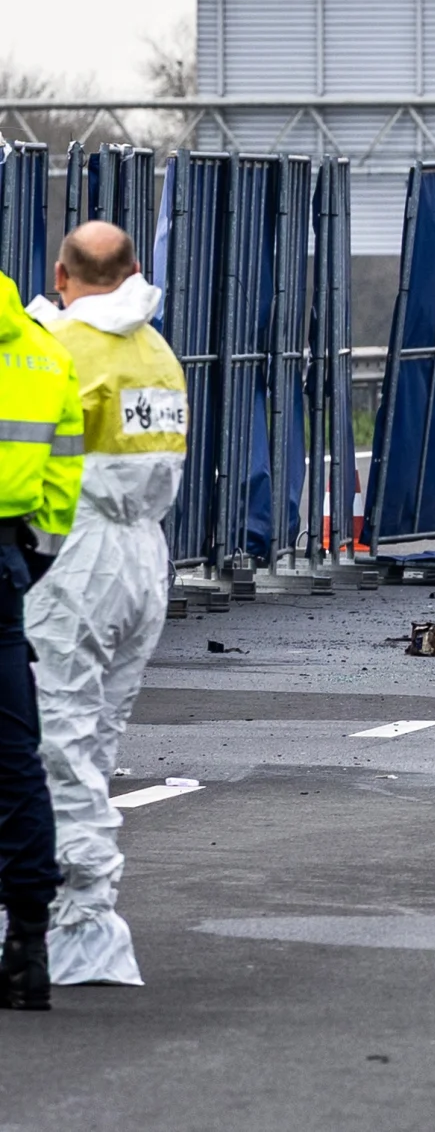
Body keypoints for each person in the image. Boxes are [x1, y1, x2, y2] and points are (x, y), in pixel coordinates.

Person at [26, 225, 174, 990]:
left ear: (61, 274)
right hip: (144, 558)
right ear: (136, 271)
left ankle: (80, 923)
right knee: (97, 742)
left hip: (78, 554)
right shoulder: (158, 352)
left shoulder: (62, 346)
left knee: (61, 744)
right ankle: (78, 908)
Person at [0, 258, 81, 1009]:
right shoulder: (41, 350)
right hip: (3, 558)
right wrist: (27, 565)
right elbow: (61, 489)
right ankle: (27, 942)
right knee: (12, 755)